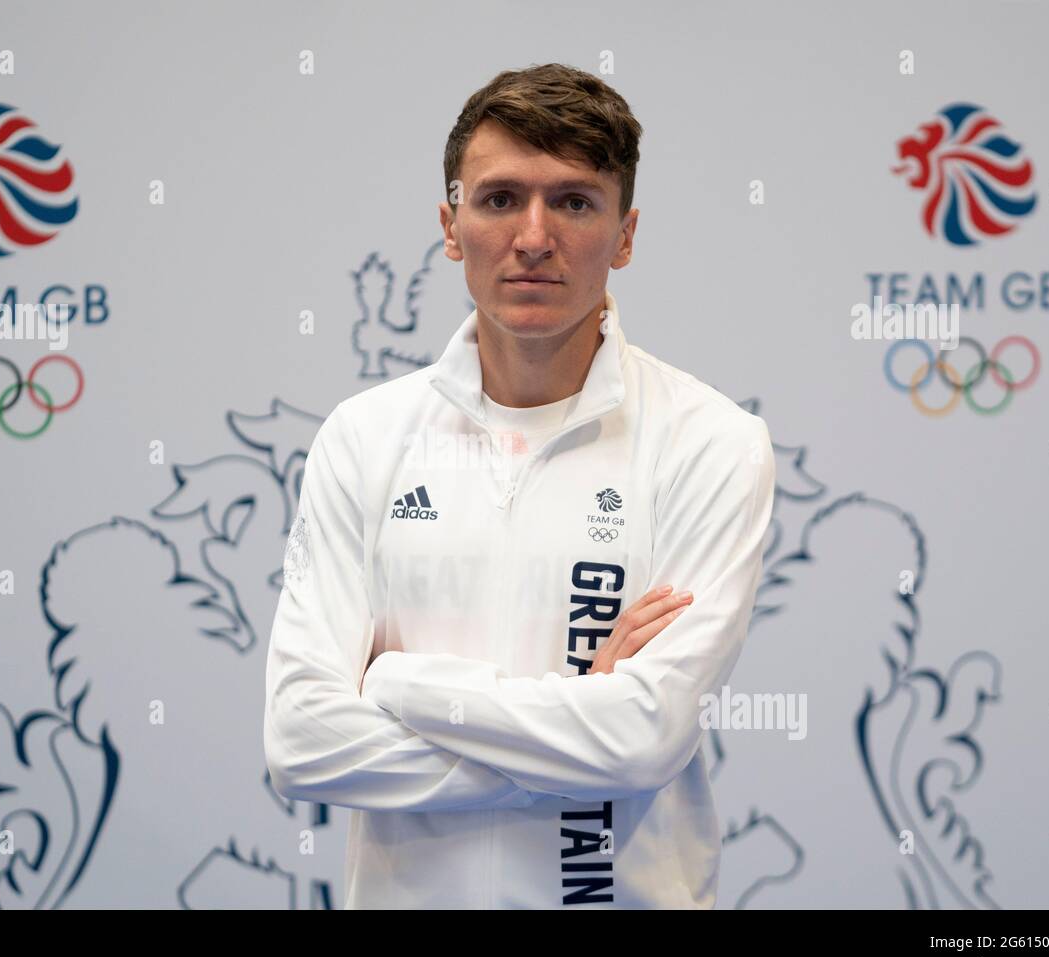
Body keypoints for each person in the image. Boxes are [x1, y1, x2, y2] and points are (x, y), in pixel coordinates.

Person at [264, 62, 776, 908]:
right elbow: (303, 742)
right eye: (500, 199)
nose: (534, 236)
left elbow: (645, 739)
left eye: (574, 202)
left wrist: (398, 687)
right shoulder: (365, 438)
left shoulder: (711, 442)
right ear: (451, 224)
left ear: (625, 235)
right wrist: (579, 728)